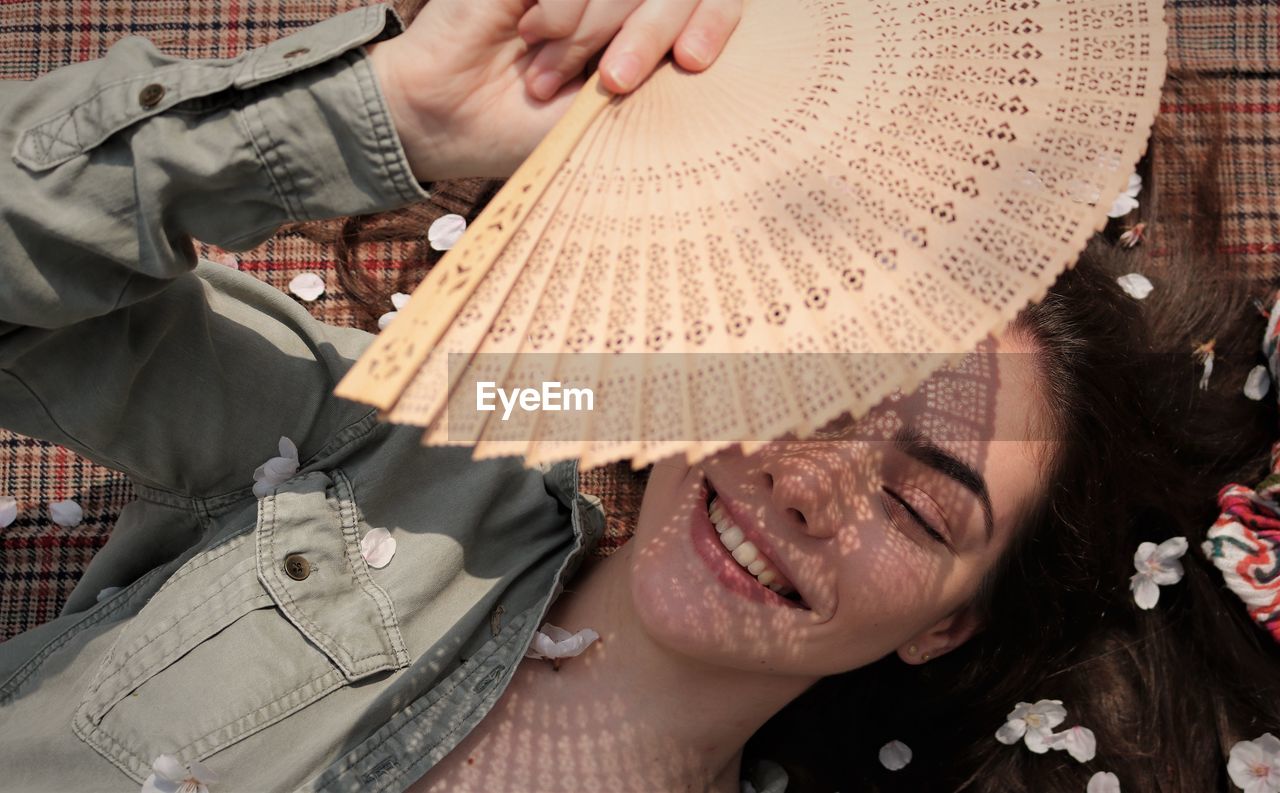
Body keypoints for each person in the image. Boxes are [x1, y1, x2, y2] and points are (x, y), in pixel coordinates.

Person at [0, 4, 1274, 793]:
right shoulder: (392, 443)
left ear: (943, 628)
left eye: (918, 505)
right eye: (829, 385)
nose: (809, 481)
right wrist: (379, 116)